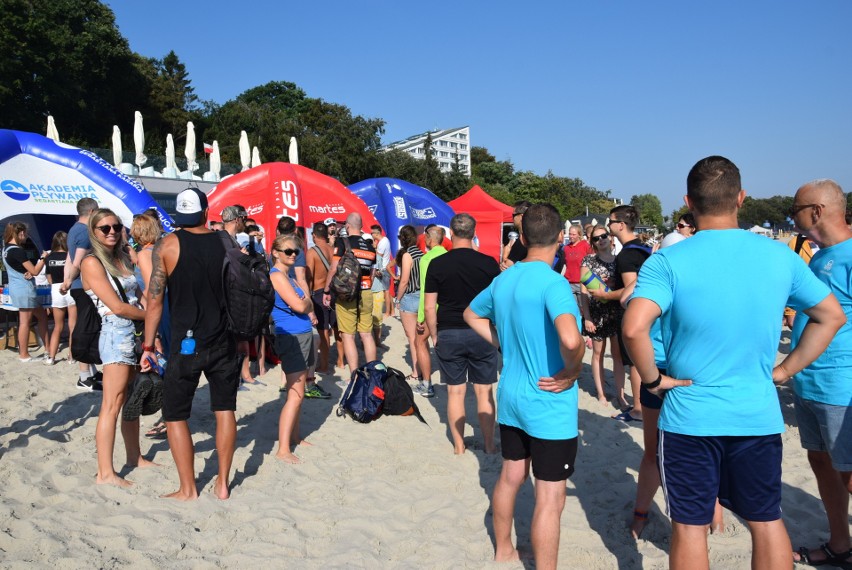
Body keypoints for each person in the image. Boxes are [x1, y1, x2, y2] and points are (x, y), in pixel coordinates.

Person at [622, 156, 845, 570]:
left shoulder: (668, 261)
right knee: (766, 520)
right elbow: (831, 316)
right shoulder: (780, 256)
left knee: (689, 526)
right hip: (755, 412)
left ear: (688, 202)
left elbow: (634, 328)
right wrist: (783, 371)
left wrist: (652, 380)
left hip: (690, 414)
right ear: (741, 199)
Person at [464, 203, 585, 569]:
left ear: (524, 238)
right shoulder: (554, 283)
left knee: (511, 475)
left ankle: (504, 550)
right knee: (550, 498)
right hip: (548, 400)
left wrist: (502, 342)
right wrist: (573, 370)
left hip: (512, 395)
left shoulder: (505, 279)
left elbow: (471, 313)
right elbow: (570, 338)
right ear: (560, 238)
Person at [140, 188, 241, 500]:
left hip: (186, 342)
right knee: (225, 410)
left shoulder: (166, 245)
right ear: (206, 211)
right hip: (224, 337)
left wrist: (147, 344)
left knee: (175, 414)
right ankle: (222, 484)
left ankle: (188, 488)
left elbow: (154, 302)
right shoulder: (226, 241)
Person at [787, 179, 852, 568]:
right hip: (810, 380)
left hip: (841, 383)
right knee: (821, 462)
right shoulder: (819, 256)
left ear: (816, 211)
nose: (791, 216)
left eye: (794, 209)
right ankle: (841, 544)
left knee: (849, 473)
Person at [81, 208, 154, 487]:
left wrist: (152, 330)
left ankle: (134, 456)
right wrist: (152, 316)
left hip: (134, 332)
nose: (112, 232)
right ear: (94, 232)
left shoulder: (122, 257)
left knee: (132, 400)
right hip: (116, 333)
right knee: (111, 405)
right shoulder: (91, 262)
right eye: (104, 228)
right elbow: (118, 307)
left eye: (116, 226)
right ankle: (105, 473)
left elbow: (138, 295)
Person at [424, 213, 500, 454]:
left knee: (455, 392)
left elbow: (429, 306)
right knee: (484, 390)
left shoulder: (437, 263)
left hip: (449, 330)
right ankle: (488, 444)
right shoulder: (488, 263)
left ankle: (459, 446)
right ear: (474, 232)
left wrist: (434, 334)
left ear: (451, 233)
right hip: (482, 330)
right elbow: (497, 303)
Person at [590, 205, 650, 422]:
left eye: (611, 222)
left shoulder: (626, 255)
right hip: (651, 312)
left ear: (621, 225)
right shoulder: (643, 247)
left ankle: (637, 409)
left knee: (634, 363)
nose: (608, 225)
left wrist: (605, 295)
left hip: (635, 313)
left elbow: (630, 290)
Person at [270, 234, 315, 463]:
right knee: (295, 394)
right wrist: (306, 303)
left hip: (303, 334)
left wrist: (306, 303)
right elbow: (301, 304)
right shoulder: (277, 276)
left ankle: (295, 437)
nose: (293, 255)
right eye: (288, 251)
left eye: (295, 251)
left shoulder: (289, 276)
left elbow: (306, 303)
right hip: (292, 336)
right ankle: (283, 448)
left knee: (298, 392)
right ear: (275, 252)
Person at [321, 213, 377, 377]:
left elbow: (333, 268)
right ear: (361, 226)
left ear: (347, 226)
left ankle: (355, 375)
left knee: (348, 335)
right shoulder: (370, 246)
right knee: (367, 334)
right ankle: (372, 373)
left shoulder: (343, 242)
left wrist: (326, 290)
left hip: (347, 294)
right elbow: (373, 272)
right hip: (366, 291)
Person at [579, 227, 625, 405]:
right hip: (597, 312)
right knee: (598, 353)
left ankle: (621, 395)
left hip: (616, 311)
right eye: (596, 238)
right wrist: (588, 317)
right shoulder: (588, 260)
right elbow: (583, 292)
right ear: (593, 242)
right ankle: (601, 393)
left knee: (618, 355)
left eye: (604, 236)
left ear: (610, 237)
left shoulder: (619, 261)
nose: (601, 240)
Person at [61, 197, 102, 390]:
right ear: (92, 212)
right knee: (86, 328)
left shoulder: (73, 230)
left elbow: (69, 259)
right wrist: (69, 281)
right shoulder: (85, 232)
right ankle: (84, 376)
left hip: (78, 285)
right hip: (84, 285)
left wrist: (66, 281)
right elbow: (77, 261)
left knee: (89, 326)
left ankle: (91, 372)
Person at [2, 222, 50, 361]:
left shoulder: (6, 249)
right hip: (25, 289)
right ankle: (24, 354)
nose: (26, 237)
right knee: (25, 322)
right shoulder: (17, 250)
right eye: (25, 234)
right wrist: (43, 258)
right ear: (20, 233)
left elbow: (20, 268)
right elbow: (35, 271)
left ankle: (47, 346)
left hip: (16, 287)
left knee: (42, 316)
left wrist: (27, 271)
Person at [394, 225, 425, 380]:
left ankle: (416, 371)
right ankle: (423, 369)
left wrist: (397, 299)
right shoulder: (421, 253)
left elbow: (404, 280)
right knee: (421, 337)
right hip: (422, 297)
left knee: (412, 339)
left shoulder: (407, 255)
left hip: (410, 297)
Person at [45, 231, 74, 365]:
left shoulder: (49, 257)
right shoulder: (70, 256)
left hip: (56, 289)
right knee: (72, 325)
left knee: (58, 326)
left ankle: (51, 356)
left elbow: (49, 278)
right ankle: (71, 356)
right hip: (70, 287)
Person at [563, 224, 592, 310]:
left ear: (579, 235)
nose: (571, 236)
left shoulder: (585, 246)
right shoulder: (566, 248)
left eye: (573, 234)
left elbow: (592, 262)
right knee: (572, 309)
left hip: (582, 283)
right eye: (570, 234)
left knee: (584, 309)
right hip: (569, 283)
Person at [370, 224, 392, 332]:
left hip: (383, 269)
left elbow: (378, 256)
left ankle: (388, 312)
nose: (371, 235)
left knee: (386, 291)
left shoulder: (382, 243)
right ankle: (390, 311)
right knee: (387, 291)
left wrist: (373, 248)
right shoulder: (384, 241)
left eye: (371, 233)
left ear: (376, 233)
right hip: (384, 268)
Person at [500, 200, 531, 270]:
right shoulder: (534, 238)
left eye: (513, 215)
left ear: (522, 217)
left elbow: (507, 267)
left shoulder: (522, 241)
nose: (512, 218)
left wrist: (503, 266)